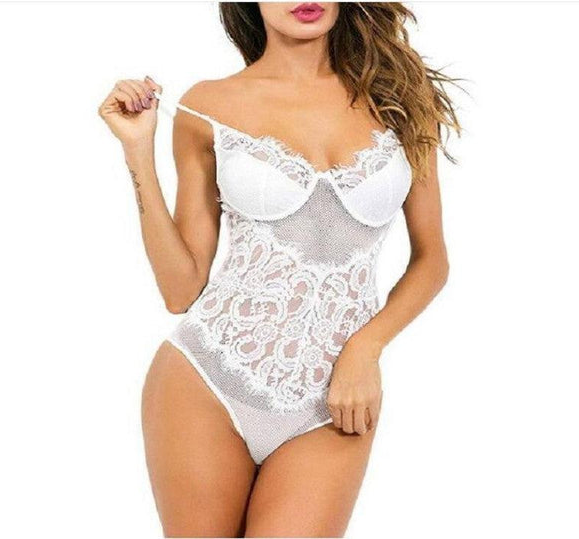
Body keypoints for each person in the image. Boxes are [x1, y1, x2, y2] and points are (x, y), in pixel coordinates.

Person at [98, 2, 460, 537]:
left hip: (334, 399)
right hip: (208, 376)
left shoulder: (402, 102)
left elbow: (432, 260)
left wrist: (365, 349)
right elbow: (180, 289)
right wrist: (137, 152)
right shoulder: (208, 106)